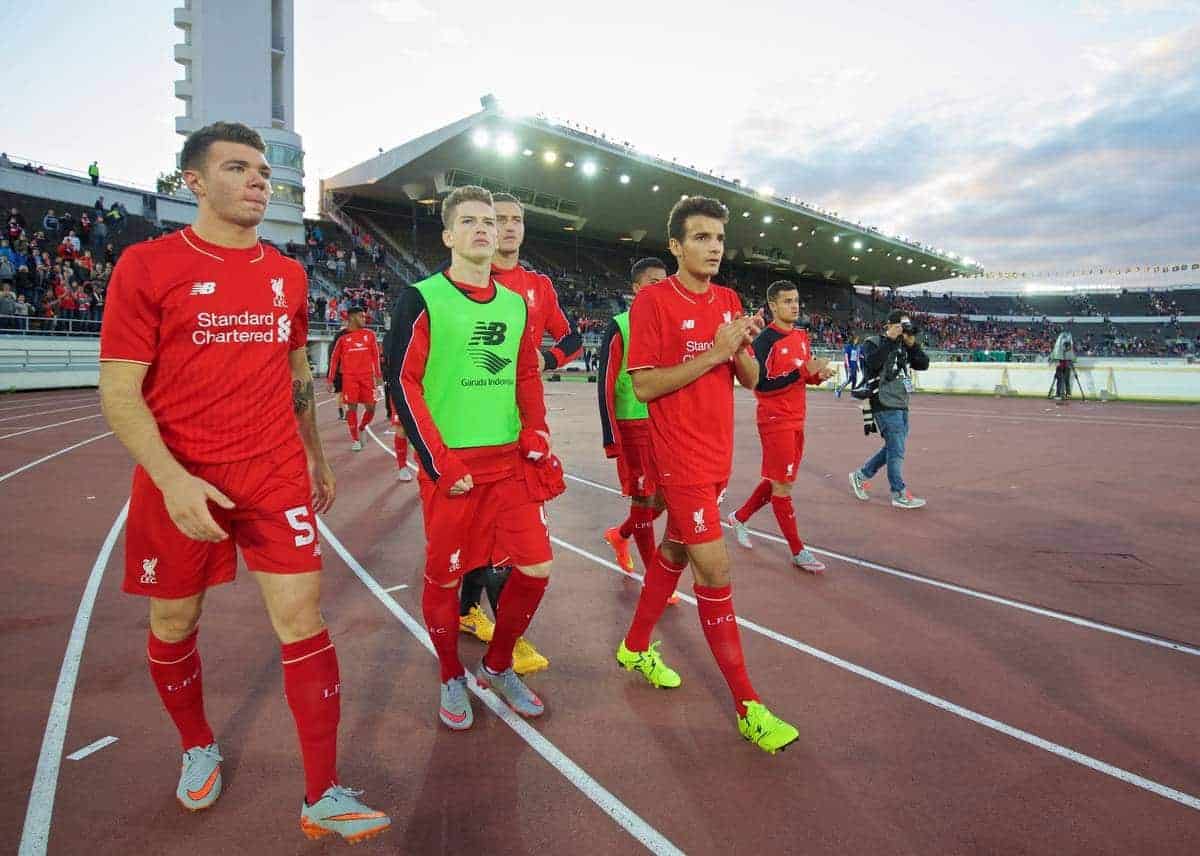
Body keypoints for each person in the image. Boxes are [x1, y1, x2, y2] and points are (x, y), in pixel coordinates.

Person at [97, 121, 389, 843]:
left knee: (303, 621)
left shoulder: (287, 275)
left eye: (264, 170)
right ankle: (197, 745)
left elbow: (294, 379)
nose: (260, 180)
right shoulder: (147, 265)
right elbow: (120, 392)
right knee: (173, 623)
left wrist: (314, 456)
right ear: (193, 181)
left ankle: (321, 793)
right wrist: (171, 481)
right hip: (181, 480)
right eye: (239, 168)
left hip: (273, 473)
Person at [614, 196, 800, 754]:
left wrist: (738, 348)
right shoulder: (653, 302)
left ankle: (635, 645)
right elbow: (644, 386)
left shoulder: (729, 299)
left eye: (718, 237)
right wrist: (715, 350)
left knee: (674, 550)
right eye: (700, 237)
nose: (713, 247)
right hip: (680, 457)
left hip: (718, 454)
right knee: (715, 573)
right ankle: (749, 707)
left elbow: (749, 377)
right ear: (676, 246)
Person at [387, 185, 560, 730]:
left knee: (536, 567)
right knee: (444, 579)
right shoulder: (422, 297)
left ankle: (498, 663)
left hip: (508, 464)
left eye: (490, 221)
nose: (485, 228)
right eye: (470, 221)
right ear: (448, 235)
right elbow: (402, 381)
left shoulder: (514, 304)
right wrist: (438, 461)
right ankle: (448, 676)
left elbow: (527, 370)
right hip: (453, 468)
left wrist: (536, 428)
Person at [454, 191, 580, 675]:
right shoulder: (468, 278)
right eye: (498, 219)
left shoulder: (538, 286)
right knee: (480, 528)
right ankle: (475, 617)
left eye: (515, 219)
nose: (507, 227)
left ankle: (489, 625)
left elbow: (568, 339)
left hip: (524, 424)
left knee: (507, 533)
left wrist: (543, 360)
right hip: (470, 422)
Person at [728, 282, 834, 572]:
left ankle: (739, 517)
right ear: (773, 306)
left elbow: (799, 378)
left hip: (797, 418)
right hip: (775, 420)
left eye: (796, 300)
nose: (794, 306)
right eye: (787, 301)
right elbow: (760, 384)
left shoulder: (801, 336)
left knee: (778, 480)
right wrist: (800, 372)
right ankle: (798, 551)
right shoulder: (765, 341)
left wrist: (816, 376)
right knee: (783, 487)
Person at [598, 256, 675, 601]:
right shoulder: (621, 325)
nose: (660, 288)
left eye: (664, 281)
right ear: (635, 289)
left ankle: (620, 534)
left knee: (665, 498)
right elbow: (606, 384)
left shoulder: (670, 326)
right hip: (634, 428)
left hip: (666, 427)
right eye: (652, 282)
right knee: (644, 499)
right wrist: (611, 437)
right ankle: (654, 576)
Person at [849, 310, 930, 509]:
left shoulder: (904, 346)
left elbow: (923, 364)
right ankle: (898, 492)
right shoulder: (873, 343)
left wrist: (912, 344)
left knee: (894, 447)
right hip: (882, 401)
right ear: (890, 325)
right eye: (901, 326)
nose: (904, 331)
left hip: (900, 401)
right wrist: (891, 340)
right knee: (897, 449)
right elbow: (873, 363)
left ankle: (861, 476)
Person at [326, 304, 380, 451]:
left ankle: (362, 427)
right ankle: (355, 439)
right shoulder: (342, 337)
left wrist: (379, 377)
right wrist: (330, 379)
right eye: (361, 316)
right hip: (350, 379)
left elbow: (376, 357)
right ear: (352, 317)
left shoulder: (370, 335)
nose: (364, 319)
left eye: (364, 316)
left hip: (367, 378)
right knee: (352, 408)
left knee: (371, 407)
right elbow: (334, 359)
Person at [380, 329, 414, 481]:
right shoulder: (392, 335)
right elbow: (388, 358)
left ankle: (427, 467)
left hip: (428, 385)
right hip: (402, 385)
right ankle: (402, 466)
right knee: (401, 427)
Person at [327, 320, 348, 420]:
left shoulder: (332, 345)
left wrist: (330, 375)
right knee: (345, 393)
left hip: (336, 372)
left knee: (339, 393)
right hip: (344, 371)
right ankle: (347, 412)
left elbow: (330, 360)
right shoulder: (346, 343)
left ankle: (341, 413)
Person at [836, 333, 861, 399]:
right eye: (856, 339)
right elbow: (846, 357)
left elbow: (856, 357)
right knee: (849, 379)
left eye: (857, 340)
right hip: (849, 365)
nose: (857, 341)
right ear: (853, 340)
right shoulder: (848, 346)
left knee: (854, 380)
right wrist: (848, 366)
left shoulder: (856, 347)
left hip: (854, 365)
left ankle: (852, 395)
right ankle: (839, 389)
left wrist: (857, 366)